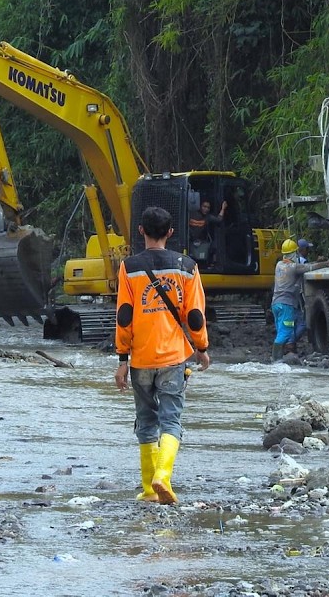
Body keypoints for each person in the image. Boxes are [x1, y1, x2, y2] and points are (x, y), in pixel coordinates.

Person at [114, 206, 210, 505]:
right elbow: (194, 315)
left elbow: (124, 316)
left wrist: (122, 359)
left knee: (146, 421)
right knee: (171, 420)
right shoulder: (187, 266)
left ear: (141, 230)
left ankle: (147, 489)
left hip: (141, 358)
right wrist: (202, 349)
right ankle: (163, 477)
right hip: (173, 359)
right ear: (170, 233)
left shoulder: (128, 267)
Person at [271, 238, 329, 360]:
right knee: (286, 332)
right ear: (294, 253)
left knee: (280, 330)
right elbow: (310, 268)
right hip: (286, 304)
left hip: (275, 304)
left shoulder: (279, 265)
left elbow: (305, 266)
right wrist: (327, 263)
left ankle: (277, 358)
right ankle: (276, 359)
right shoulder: (293, 267)